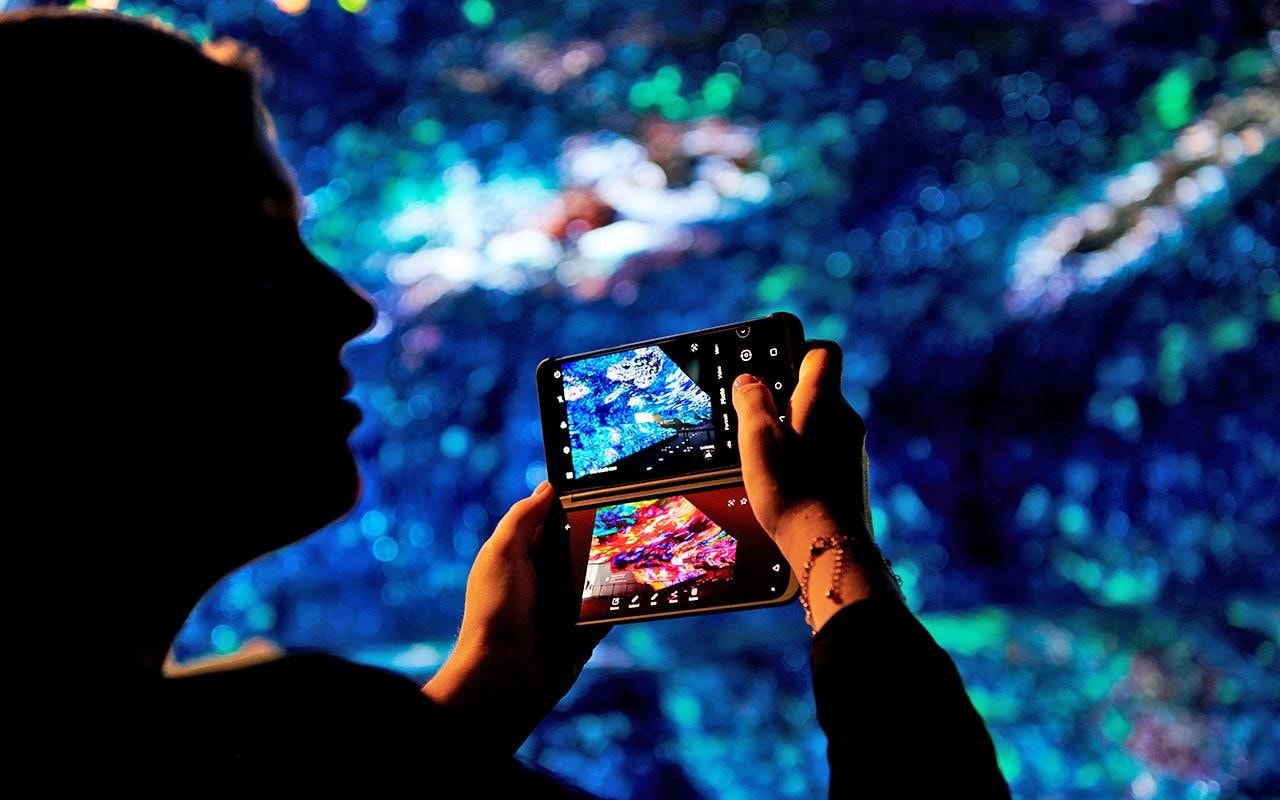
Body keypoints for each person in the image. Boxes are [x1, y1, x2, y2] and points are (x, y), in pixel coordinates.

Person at [3, 8, 1009, 795]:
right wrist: (832, 554)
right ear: (68, 300)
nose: (350, 306)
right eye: (258, 243)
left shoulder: (277, 744)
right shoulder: (286, 728)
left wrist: (485, 694)